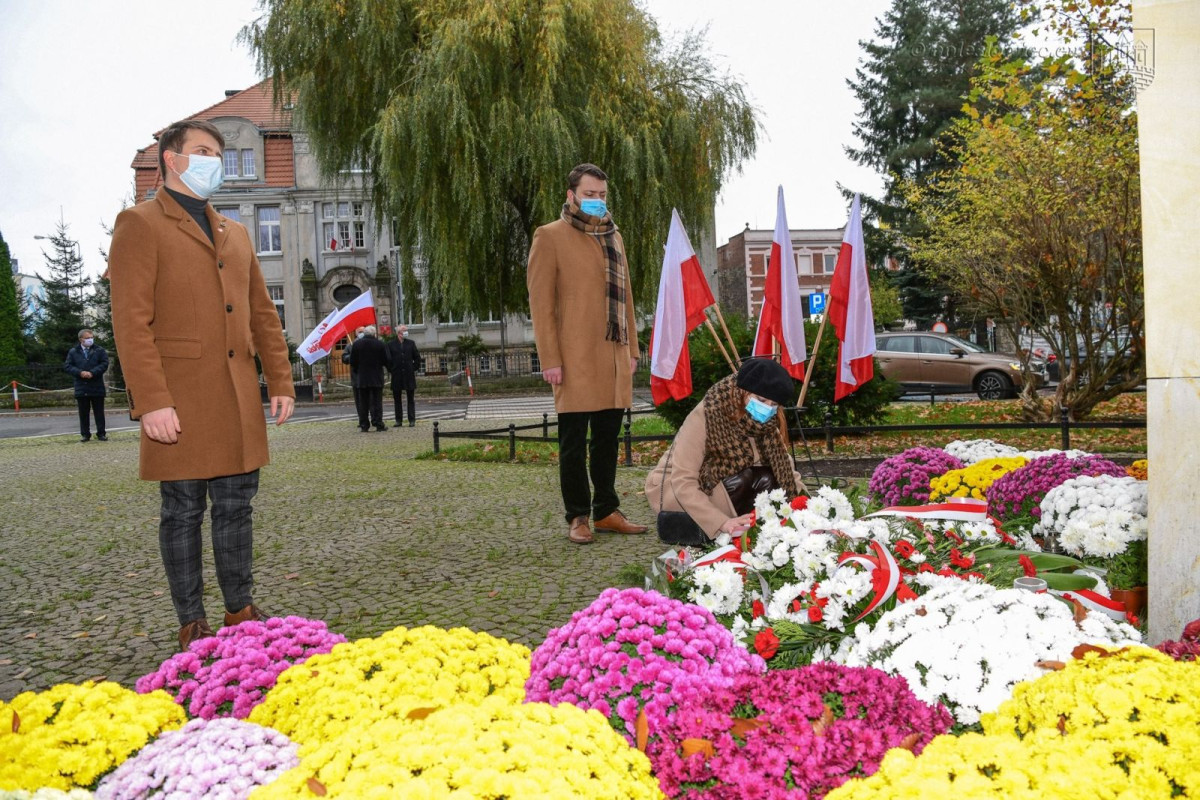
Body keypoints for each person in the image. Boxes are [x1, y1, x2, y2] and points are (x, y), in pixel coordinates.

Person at [109, 118, 295, 652]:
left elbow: (263, 313)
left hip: (237, 397)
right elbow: (131, 322)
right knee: (183, 510)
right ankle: (192, 619)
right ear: (172, 159)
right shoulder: (140, 224)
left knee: (237, 506)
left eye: (217, 151)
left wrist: (280, 380)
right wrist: (151, 402)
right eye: (203, 151)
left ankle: (239, 606)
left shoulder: (233, 231)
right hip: (180, 400)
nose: (215, 159)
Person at [527, 163, 647, 544]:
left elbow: (626, 297)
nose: (597, 201)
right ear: (571, 194)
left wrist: (632, 348)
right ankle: (577, 516)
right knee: (573, 443)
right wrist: (550, 359)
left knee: (609, 439)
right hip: (573, 356)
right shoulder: (549, 236)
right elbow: (541, 303)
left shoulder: (614, 237)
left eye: (602, 195)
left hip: (613, 353)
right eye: (590, 194)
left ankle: (607, 510)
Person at [645, 358, 804, 543]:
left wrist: (806, 507)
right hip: (678, 487)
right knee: (740, 478)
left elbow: (788, 472)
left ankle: (758, 536)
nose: (767, 408)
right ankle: (728, 532)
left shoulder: (766, 425)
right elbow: (683, 479)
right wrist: (722, 522)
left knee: (769, 477)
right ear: (741, 391)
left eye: (774, 405)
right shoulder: (707, 414)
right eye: (761, 400)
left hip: (724, 486)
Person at [63, 328, 109, 442]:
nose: (90, 340)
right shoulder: (73, 352)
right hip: (81, 386)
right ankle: (85, 434)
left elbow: (104, 363)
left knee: (99, 412)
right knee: (83, 413)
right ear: (81, 339)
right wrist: (80, 373)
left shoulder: (99, 350)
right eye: (87, 338)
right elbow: (68, 366)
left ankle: (101, 433)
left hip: (96, 385)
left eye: (91, 337)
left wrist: (92, 372)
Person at [349, 325, 388, 432]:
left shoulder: (357, 344)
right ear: (374, 333)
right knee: (377, 403)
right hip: (376, 377)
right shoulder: (380, 344)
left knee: (363, 403)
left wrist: (358, 371)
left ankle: (364, 425)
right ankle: (378, 423)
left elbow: (353, 362)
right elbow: (386, 360)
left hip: (362, 378)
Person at [385, 324, 421, 427]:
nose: (406, 332)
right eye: (404, 330)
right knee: (397, 399)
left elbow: (417, 358)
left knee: (410, 398)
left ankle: (412, 419)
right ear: (399, 333)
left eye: (406, 330)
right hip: (397, 375)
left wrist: (413, 368)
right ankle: (398, 420)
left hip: (409, 375)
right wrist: (392, 370)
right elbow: (388, 360)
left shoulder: (410, 343)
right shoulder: (391, 344)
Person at [341, 327, 366, 426]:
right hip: (356, 377)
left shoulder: (369, 343)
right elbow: (344, 357)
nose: (361, 333)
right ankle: (362, 419)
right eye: (360, 332)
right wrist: (352, 356)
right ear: (356, 333)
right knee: (359, 400)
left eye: (363, 332)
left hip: (367, 377)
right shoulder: (350, 345)